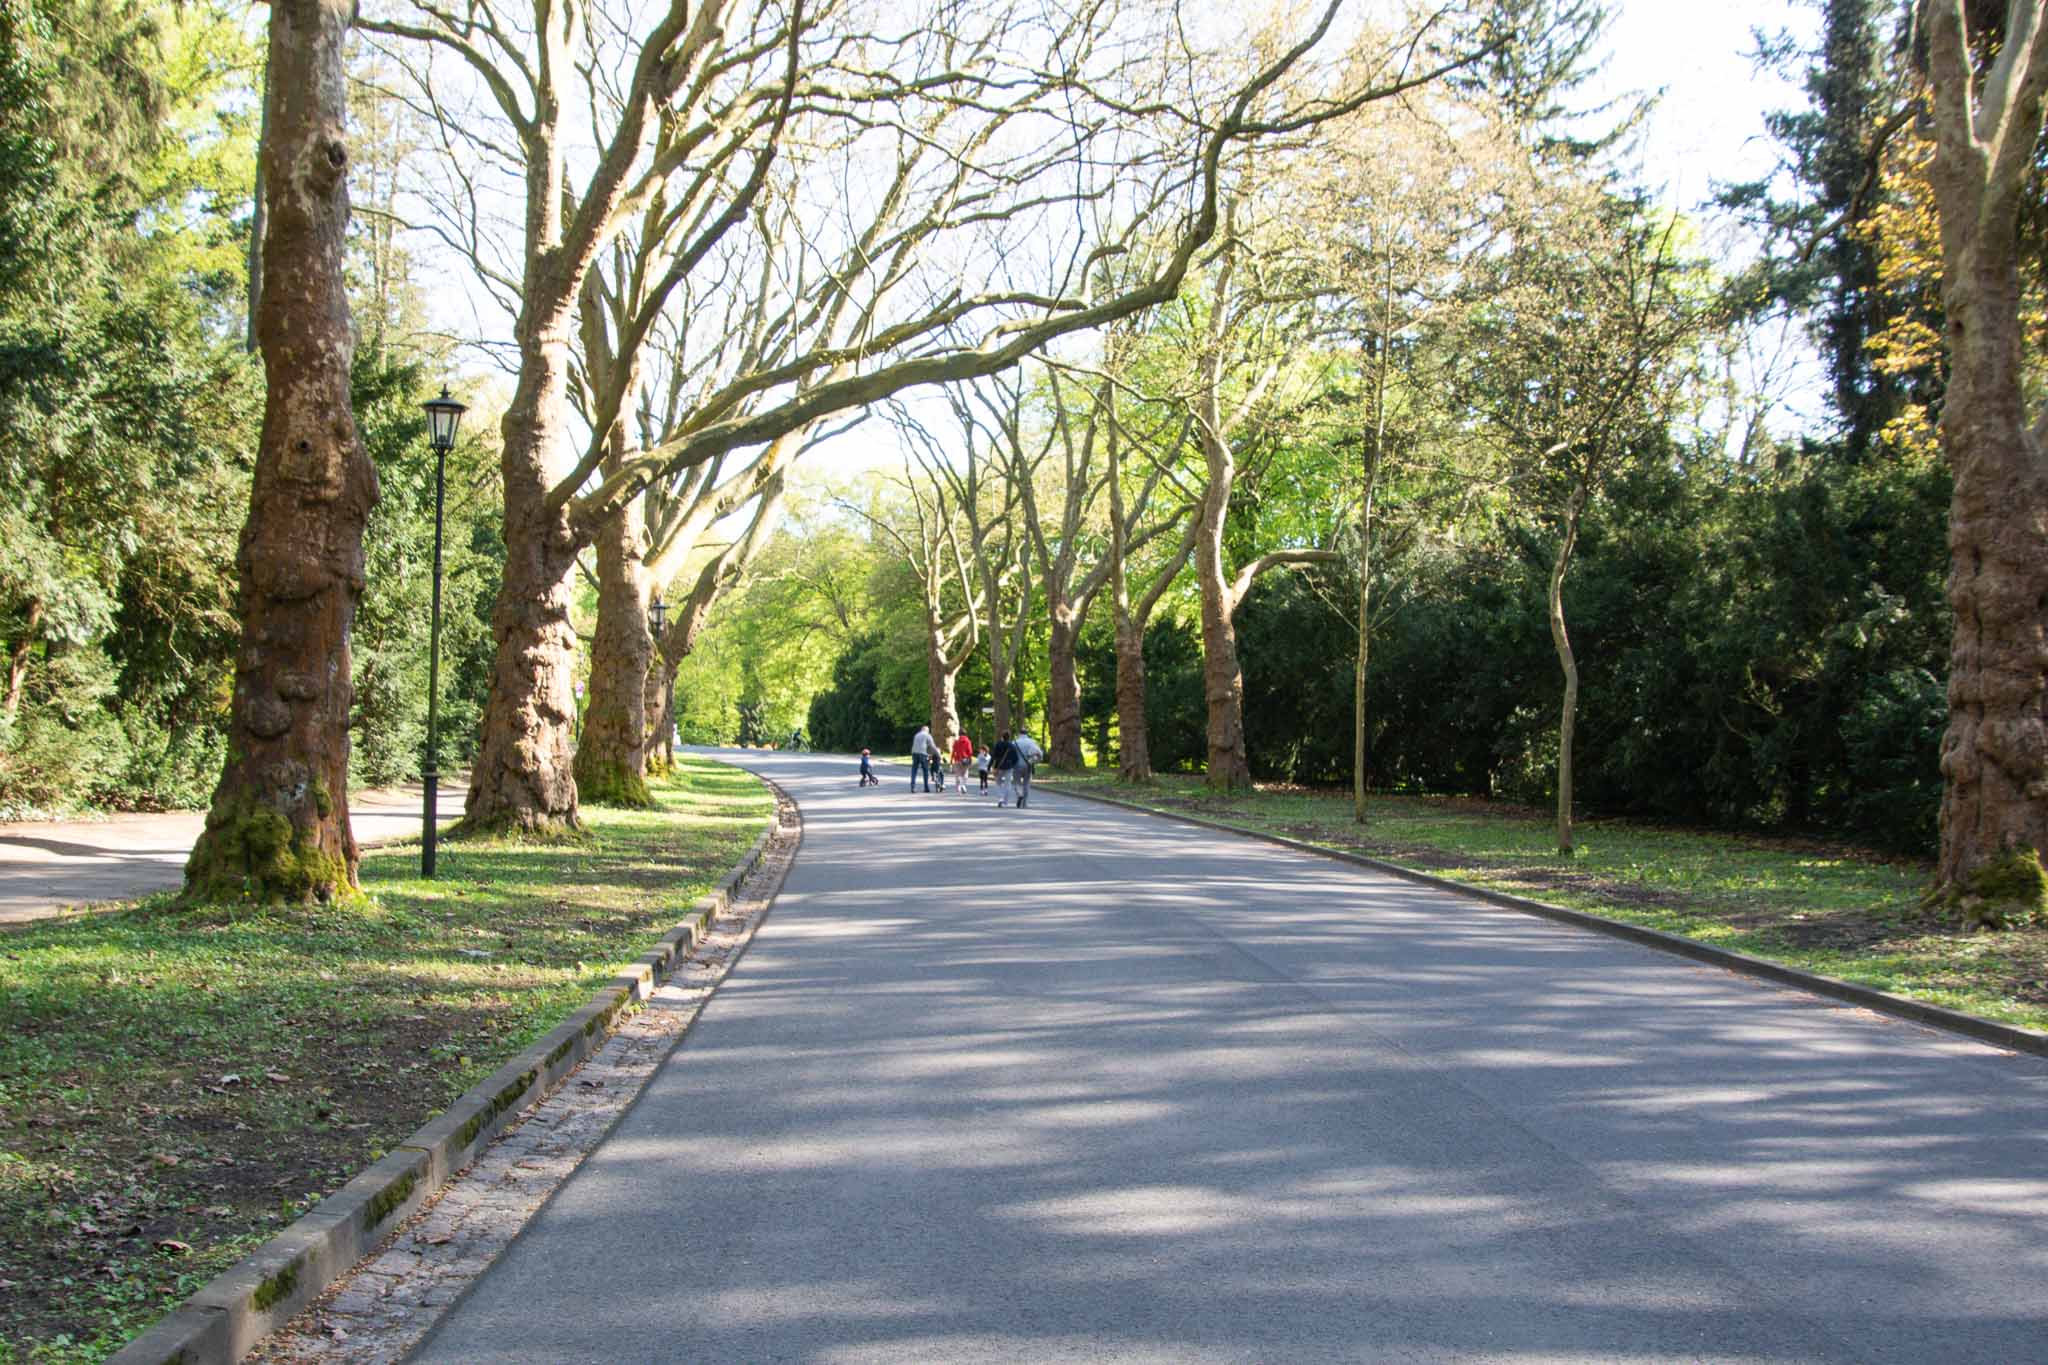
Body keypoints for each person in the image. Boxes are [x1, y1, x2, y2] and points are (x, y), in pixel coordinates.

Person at [1012, 730, 1043, 808]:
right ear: (1026, 734)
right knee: (1026, 784)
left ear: (1019, 734)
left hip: (1016, 766)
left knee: (1017, 782)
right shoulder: (1032, 742)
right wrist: (1035, 761)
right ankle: (1024, 803)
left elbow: (1010, 754)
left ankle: (1019, 794)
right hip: (1028, 765)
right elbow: (1040, 754)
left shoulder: (1014, 742)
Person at [989, 731, 1019, 807]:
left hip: (998, 766)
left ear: (1002, 736)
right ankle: (1005, 801)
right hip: (1009, 767)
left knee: (998, 783)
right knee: (1007, 784)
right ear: (1009, 737)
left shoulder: (998, 744)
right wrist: (1012, 765)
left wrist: (989, 766)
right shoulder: (1012, 746)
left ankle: (1000, 798)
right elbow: (1016, 758)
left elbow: (993, 757)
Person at [909, 724, 934, 792]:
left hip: (914, 753)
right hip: (923, 754)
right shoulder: (927, 735)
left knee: (914, 770)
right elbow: (932, 746)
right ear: (927, 730)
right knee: (925, 770)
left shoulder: (916, 735)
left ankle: (913, 787)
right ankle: (926, 787)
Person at [950, 730, 974, 795]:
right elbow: (970, 752)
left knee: (958, 774)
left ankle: (958, 787)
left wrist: (951, 760)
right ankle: (963, 785)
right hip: (965, 760)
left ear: (959, 734)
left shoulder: (956, 741)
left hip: (957, 759)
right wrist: (970, 759)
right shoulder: (968, 741)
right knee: (965, 774)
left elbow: (953, 751)